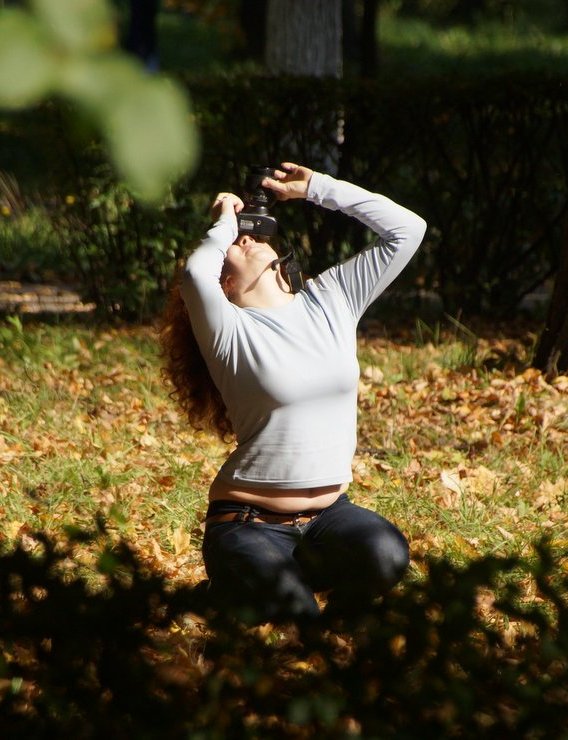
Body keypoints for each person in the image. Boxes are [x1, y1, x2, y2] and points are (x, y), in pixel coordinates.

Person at [160, 162, 427, 624]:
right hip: (246, 523)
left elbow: (408, 229)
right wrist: (225, 218)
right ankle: (235, 589)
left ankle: (309, 609)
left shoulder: (332, 299)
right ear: (226, 285)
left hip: (328, 518)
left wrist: (319, 189)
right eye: (233, 247)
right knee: (296, 617)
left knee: (387, 555)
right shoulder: (229, 331)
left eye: (247, 235)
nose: (245, 239)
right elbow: (194, 276)